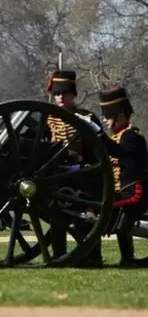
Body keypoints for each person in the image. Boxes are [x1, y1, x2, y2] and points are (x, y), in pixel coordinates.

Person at [77, 87, 148, 267]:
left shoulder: (133, 137)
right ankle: (122, 258)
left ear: (121, 116)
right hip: (119, 191)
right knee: (100, 214)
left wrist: (95, 129)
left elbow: (117, 152)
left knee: (98, 214)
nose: (105, 120)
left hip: (132, 192)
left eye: (108, 117)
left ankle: (121, 258)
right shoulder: (118, 137)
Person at [44, 70, 104, 266]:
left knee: (85, 218)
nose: (60, 97)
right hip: (56, 174)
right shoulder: (48, 118)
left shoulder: (86, 117)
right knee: (56, 217)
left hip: (82, 173)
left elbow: (99, 149)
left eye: (64, 93)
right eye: (57, 94)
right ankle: (59, 255)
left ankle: (91, 256)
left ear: (73, 94)